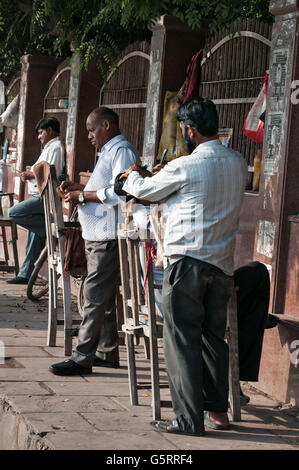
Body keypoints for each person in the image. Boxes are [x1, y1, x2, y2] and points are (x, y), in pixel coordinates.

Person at [120, 97, 247, 436]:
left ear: (190, 130)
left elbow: (145, 191)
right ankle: (217, 412)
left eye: (182, 130)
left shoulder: (185, 166)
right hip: (221, 265)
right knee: (212, 340)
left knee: (181, 340)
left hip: (187, 263)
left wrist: (130, 177)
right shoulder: (238, 162)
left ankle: (187, 419)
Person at [49, 106, 138, 376]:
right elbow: (103, 189)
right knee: (104, 298)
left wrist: (83, 197)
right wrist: (79, 189)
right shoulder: (109, 151)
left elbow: (121, 192)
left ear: (107, 126)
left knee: (94, 297)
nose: (89, 135)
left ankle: (81, 356)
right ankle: (107, 352)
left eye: (92, 129)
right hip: (98, 235)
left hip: (108, 237)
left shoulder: (122, 151)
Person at [7, 117, 64, 285]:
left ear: (50, 130)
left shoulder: (56, 147)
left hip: (44, 196)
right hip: (38, 195)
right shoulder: (49, 147)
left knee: (14, 212)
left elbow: (50, 172)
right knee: (34, 238)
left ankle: (46, 229)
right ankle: (26, 275)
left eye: (41, 132)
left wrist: (30, 174)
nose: (39, 136)